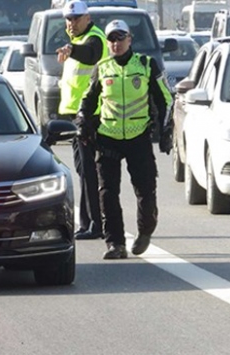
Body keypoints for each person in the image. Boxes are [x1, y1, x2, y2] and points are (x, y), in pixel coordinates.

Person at [76, 19, 173, 259]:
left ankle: (145, 231)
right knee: (107, 192)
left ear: (130, 39)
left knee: (146, 189)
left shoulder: (146, 64)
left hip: (138, 136)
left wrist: (165, 132)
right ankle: (115, 243)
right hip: (107, 137)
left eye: (121, 38)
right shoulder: (102, 67)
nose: (116, 43)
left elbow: (166, 100)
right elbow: (87, 101)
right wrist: (82, 123)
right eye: (111, 39)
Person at [56, 0, 108, 241]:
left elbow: (90, 56)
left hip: (91, 116)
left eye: (76, 19)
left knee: (90, 171)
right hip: (76, 116)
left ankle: (95, 224)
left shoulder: (94, 38)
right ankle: (88, 222)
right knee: (83, 170)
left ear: (87, 18)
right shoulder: (76, 41)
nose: (71, 23)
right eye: (68, 19)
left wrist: (72, 50)